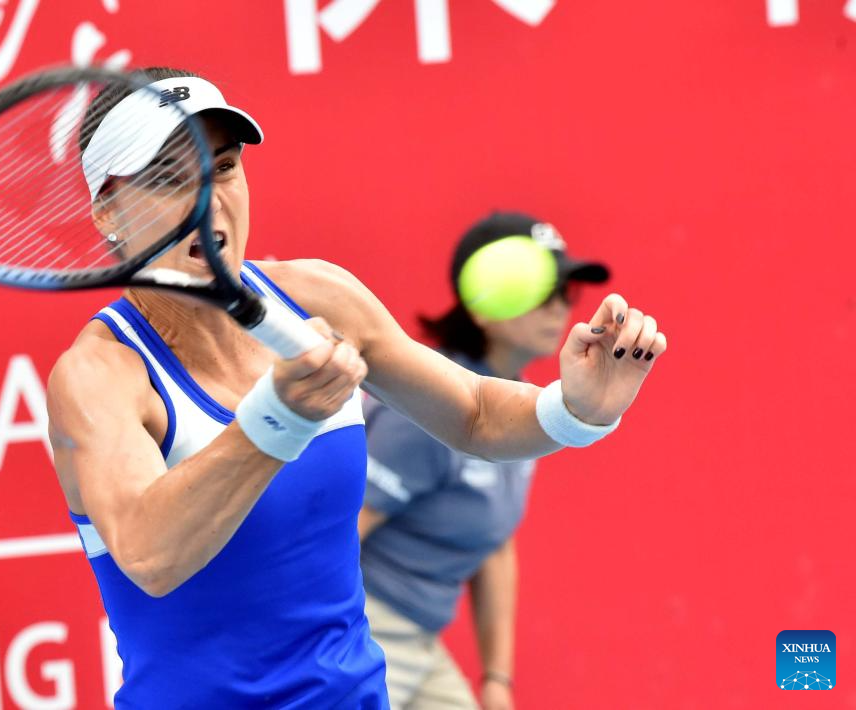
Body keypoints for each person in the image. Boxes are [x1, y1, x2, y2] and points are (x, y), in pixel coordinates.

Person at [47, 67, 668, 708]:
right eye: (168, 178)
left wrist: (574, 409)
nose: (207, 201)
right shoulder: (98, 377)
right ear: (107, 209)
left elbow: (476, 414)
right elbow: (151, 557)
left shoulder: (320, 294)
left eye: (223, 167)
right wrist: (276, 419)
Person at [358, 212, 613, 710]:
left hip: (420, 640)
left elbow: (493, 544)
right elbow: (341, 527)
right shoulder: (430, 403)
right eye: (542, 290)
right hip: (365, 626)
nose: (560, 308)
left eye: (566, 292)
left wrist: (497, 679)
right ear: (485, 304)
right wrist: (314, 642)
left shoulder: (523, 407)